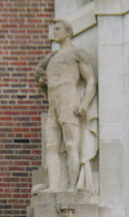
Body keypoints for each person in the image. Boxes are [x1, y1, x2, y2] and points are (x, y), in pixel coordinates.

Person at [34, 19, 98, 193]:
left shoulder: (77, 54)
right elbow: (47, 87)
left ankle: (72, 185)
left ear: (68, 32)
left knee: (70, 144)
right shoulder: (52, 58)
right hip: (52, 103)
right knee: (51, 146)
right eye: (53, 29)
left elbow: (91, 80)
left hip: (68, 99)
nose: (54, 32)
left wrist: (84, 104)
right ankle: (54, 186)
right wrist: (42, 84)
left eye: (58, 29)